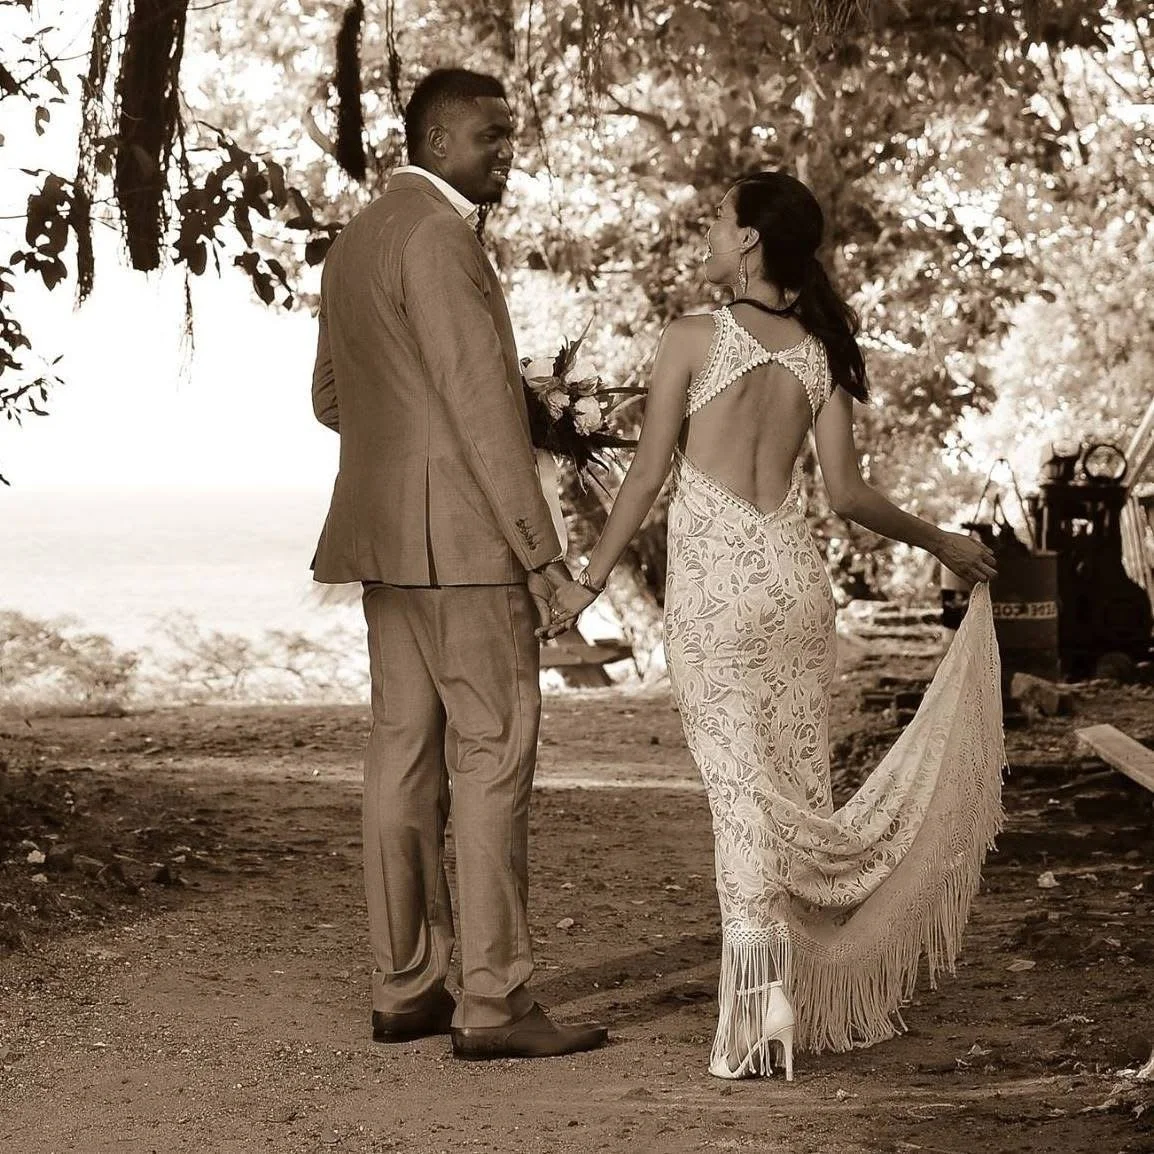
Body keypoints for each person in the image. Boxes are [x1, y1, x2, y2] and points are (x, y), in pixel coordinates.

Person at [546, 170, 1005, 1079]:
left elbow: (647, 477)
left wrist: (587, 584)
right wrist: (942, 542)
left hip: (718, 597)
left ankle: (758, 1020)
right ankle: (798, 996)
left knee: (743, 802)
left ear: (751, 240)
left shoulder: (693, 336)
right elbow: (848, 495)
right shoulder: (820, 351)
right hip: (795, 589)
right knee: (793, 795)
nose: (709, 236)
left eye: (718, 222)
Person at [310, 67, 608, 1061]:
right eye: (493, 137)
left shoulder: (355, 239)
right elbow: (481, 412)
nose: (507, 155)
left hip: (383, 543)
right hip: (469, 550)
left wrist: (413, 445)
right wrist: (541, 555)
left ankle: (404, 988)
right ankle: (494, 1001)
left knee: (399, 759)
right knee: (490, 759)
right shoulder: (442, 238)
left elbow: (330, 398)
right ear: (438, 141)